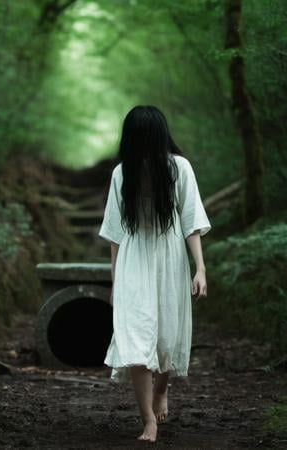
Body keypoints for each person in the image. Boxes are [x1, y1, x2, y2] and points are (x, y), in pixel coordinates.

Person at [98, 105, 211, 443]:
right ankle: (149, 420)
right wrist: (116, 280)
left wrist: (200, 268)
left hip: (169, 257)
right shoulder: (122, 173)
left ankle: (163, 388)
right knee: (136, 337)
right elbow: (116, 233)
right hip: (135, 258)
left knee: (166, 334)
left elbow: (191, 222)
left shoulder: (179, 169)